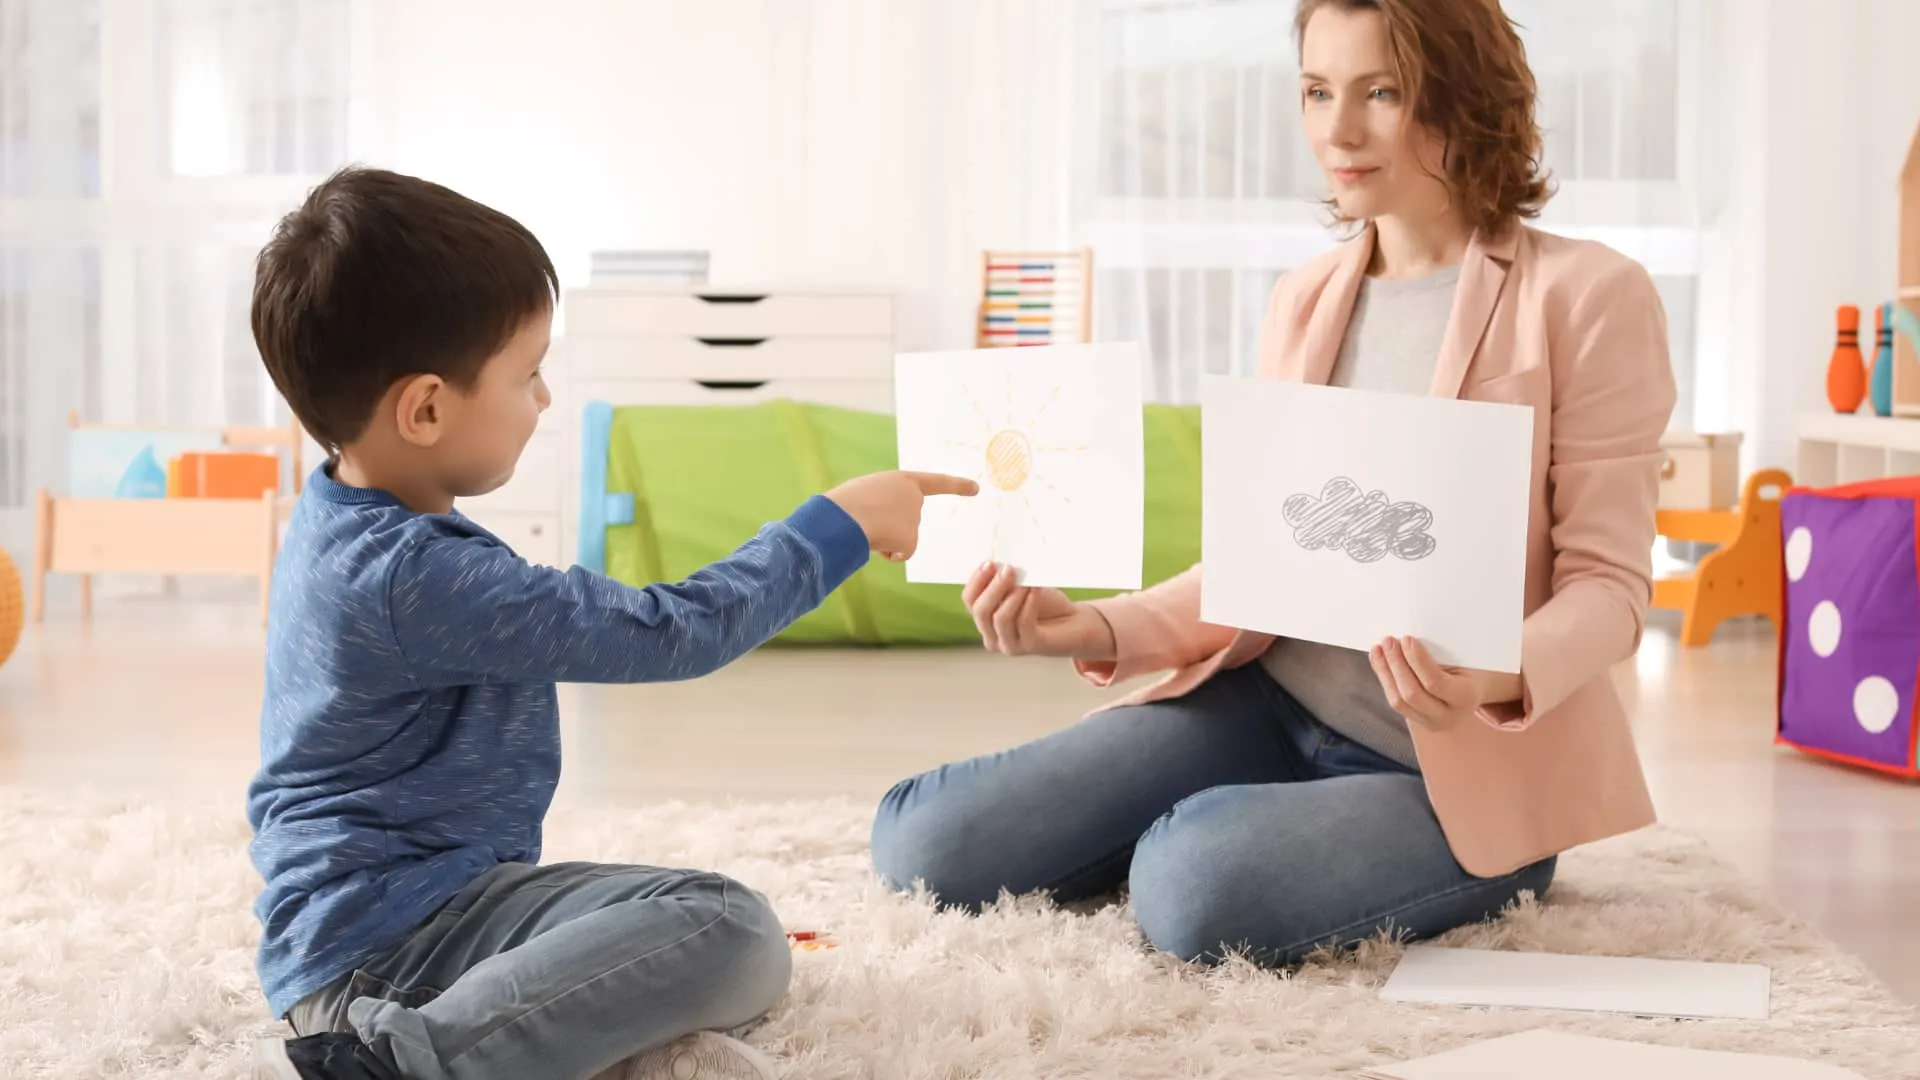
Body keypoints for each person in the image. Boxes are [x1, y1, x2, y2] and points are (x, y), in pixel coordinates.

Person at [869, 0, 1677, 970]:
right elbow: (1259, 566)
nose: (1339, 131)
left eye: (1382, 93)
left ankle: (1330, 848)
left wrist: (1493, 672)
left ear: (1467, 96)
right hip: (1267, 703)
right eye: (1317, 92)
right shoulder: (1305, 298)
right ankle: (1253, 829)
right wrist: (1088, 626)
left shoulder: (1589, 295)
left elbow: (1609, 591)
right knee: (926, 843)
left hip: (1447, 767)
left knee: (1191, 882)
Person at [245, 166, 975, 1080]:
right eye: (528, 374)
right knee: (726, 927)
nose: (545, 398)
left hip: (388, 920)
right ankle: (411, 1064)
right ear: (425, 408)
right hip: (389, 946)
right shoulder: (418, 577)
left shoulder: (341, 511)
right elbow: (675, 631)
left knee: (687, 927)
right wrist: (838, 527)